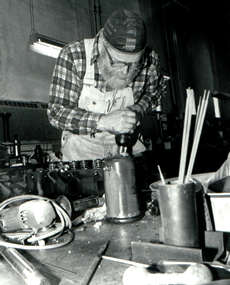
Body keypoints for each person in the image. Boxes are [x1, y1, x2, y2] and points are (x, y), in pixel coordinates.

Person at [47, 9, 165, 162]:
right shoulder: (74, 56)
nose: (125, 72)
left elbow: (154, 93)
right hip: (82, 155)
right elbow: (56, 112)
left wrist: (137, 110)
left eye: (134, 64)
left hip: (127, 150)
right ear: (103, 44)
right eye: (117, 62)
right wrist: (102, 121)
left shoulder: (150, 61)